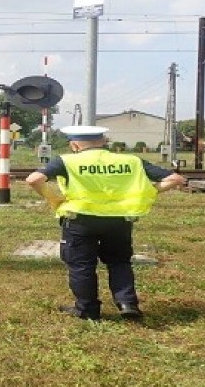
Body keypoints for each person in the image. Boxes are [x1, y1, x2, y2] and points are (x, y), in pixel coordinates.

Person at [25, 125, 186, 320]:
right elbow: (176, 179)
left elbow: (34, 179)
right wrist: (150, 191)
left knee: (81, 265)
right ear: (104, 141)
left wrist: (54, 199)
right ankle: (127, 303)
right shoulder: (131, 160)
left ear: (74, 145)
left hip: (80, 220)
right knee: (119, 261)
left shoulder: (67, 161)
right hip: (119, 220)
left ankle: (87, 309)